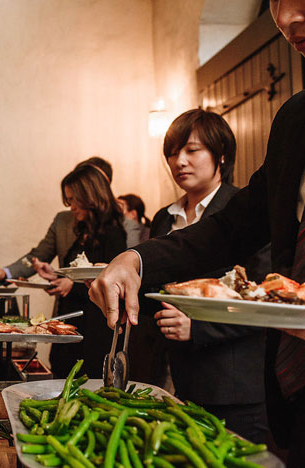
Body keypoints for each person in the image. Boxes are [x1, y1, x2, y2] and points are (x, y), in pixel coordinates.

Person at [89, 2, 305, 462]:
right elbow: (232, 229)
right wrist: (138, 259)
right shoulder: (294, 120)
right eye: (275, 5)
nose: (286, 20)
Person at [140, 109, 269, 442]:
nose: (179, 161)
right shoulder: (163, 218)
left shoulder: (245, 212)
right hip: (171, 378)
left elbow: (264, 297)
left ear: (221, 154)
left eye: (192, 150)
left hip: (231, 382)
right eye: (171, 152)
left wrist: (197, 327)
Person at [32, 165, 126, 378]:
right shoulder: (84, 228)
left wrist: (71, 285)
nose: (71, 206)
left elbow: (110, 283)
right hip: (75, 322)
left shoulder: (112, 233)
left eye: (74, 199)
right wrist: (56, 276)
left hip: (93, 329)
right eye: (68, 200)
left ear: (91, 196)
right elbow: (79, 273)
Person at [0, 156, 113, 288]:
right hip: (67, 305)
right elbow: (39, 255)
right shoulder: (63, 220)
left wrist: (73, 284)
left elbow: (117, 275)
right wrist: (5, 272)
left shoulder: (119, 225)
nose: (72, 206)